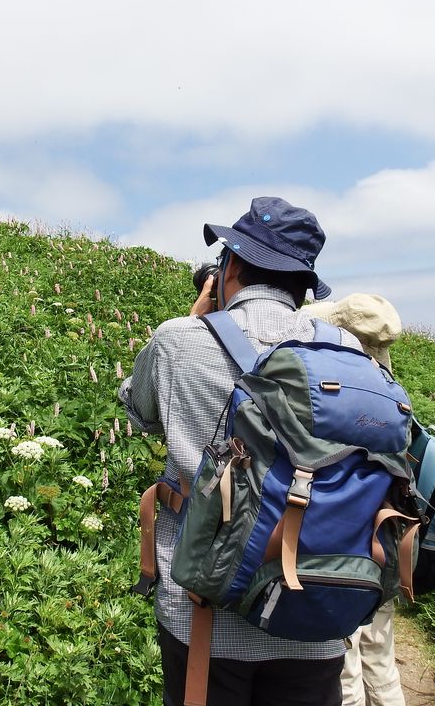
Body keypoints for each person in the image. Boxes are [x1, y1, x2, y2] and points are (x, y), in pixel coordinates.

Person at [120, 196, 366, 706]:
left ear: (229, 266)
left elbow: (138, 412)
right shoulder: (346, 348)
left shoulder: (178, 340)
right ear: (302, 286)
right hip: (317, 609)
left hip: (204, 615)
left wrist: (194, 320)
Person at [301, 294, 407, 706]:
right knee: (381, 658)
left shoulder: (333, 397)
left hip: (339, 550)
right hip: (386, 547)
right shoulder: (392, 398)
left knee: (341, 665)